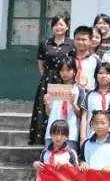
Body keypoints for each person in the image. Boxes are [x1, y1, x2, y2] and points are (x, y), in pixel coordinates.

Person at [29, 15, 75, 145]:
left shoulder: (72, 44)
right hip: (48, 80)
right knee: (45, 108)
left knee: (62, 109)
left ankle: (64, 139)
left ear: (67, 27)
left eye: (61, 24)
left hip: (65, 79)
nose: (58, 27)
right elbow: (41, 64)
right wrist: (48, 77)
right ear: (52, 27)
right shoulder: (45, 43)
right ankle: (44, 140)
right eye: (56, 24)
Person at [44, 57, 84, 145]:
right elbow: (48, 112)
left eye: (68, 70)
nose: (64, 73)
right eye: (62, 70)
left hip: (71, 132)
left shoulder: (79, 89)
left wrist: (73, 103)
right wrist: (47, 104)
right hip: (53, 132)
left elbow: (81, 114)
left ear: (74, 71)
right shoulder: (54, 88)